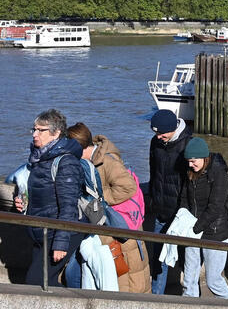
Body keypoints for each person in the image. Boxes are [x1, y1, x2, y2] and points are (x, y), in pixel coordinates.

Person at [65, 123, 150, 293]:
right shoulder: (92, 160)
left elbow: (128, 187)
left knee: (127, 282)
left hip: (119, 229)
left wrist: (100, 198)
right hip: (111, 228)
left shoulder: (106, 161)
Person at [14, 109, 86, 287]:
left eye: (41, 130)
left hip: (58, 232)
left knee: (37, 282)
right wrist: (23, 201)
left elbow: (68, 205)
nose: (35, 134)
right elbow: (41, 192)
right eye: (34, 129)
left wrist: (61, 243)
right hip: (42, 230)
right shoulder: (40, 158)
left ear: (56, 133)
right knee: (47, 282)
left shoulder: (66, 162)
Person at [174, 137, 228, 299]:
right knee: (189, 278)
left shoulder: (218, 173)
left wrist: (196, 228)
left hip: (214, 231)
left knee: (213, 280)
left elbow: (216, 206)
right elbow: (185, 199)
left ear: (204, 158)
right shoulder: (190, 172)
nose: (190, 165)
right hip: (193, 228)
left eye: (193, 161)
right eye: (188, 161)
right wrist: (183, 216)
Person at [147, 109, 192, 295]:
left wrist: (185, 210)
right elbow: (153, 172)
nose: (158, 137)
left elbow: (192, 182)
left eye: (161, 133)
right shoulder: (155, 143)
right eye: (156, 133)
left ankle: (191, 298)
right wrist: (153, 198)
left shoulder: (188, 145)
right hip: (161, 211)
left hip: (182, 215)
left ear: (173, 128)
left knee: (187, 260)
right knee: (158, 261)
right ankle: (156, 300)